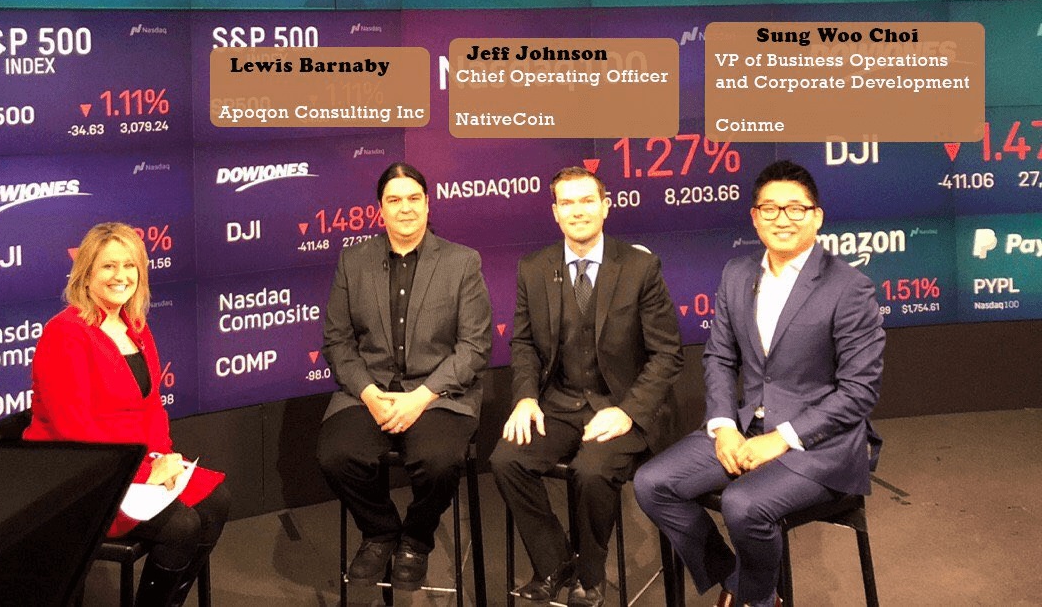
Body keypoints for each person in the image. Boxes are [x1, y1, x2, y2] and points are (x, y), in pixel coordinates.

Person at [634, 160, 885, 607]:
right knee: (653, 483)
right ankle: (739, 582)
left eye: (795, 208)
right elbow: (719, 357)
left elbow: (858, 391)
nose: (782, 219)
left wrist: (782, 438)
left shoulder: (850, 288)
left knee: (743, 504)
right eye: (770, 209)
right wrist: (723, 426)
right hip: (747, 426)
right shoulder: (737, 273)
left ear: (817, 216)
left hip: (822, 445)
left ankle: (755, 599)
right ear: (754, 217)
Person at [490, 166, 685, 607]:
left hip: (621, 403)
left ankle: (590, 577)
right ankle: (556, 561)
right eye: (568, 203)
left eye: (586, 201)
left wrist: (628, 411)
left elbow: (667, 354)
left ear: (605, 207)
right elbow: (523, 343)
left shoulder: (639, 267)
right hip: (559, 402)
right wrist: (525, 397)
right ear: (555, 212)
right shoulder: (533, 268)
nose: (577, 211)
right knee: (506, 460)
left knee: (591, 471)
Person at [25, 222, 229, 607]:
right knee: (182, 526)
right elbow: (74, 431)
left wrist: (163, 458)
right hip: (83, 477)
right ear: (86, 275)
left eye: (130, 265)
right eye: (108, 266)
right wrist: (144, 475)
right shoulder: (65, 333)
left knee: (217, 500)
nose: (121, 276)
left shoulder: (134, 326)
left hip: (132, 465)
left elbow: (150, 407)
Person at [317, 161, 493, 590]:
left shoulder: (462, 262)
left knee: (439, 463)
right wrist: (369, 393)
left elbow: (474, 346)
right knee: (335, 456)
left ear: (428, 204)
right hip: (370, 391)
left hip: (439, 394)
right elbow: (338, 341)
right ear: (380, 209)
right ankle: (380, 532)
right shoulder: (353, 261)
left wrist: (422, 397)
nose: (405, 208)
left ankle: (416, 538)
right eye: (394, 200)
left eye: (414, 198)